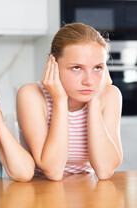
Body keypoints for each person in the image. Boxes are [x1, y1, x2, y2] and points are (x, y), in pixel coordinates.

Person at [16, 23, 123, 181]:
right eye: (77, 68)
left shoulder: (109, 96)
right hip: (42, 192)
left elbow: (105, 171)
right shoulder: (31, 95)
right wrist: (59, 101)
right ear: (53, 63)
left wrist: (94, 102)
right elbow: (53, 171)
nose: (89, 81)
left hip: (89, 191)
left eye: (97, 68)